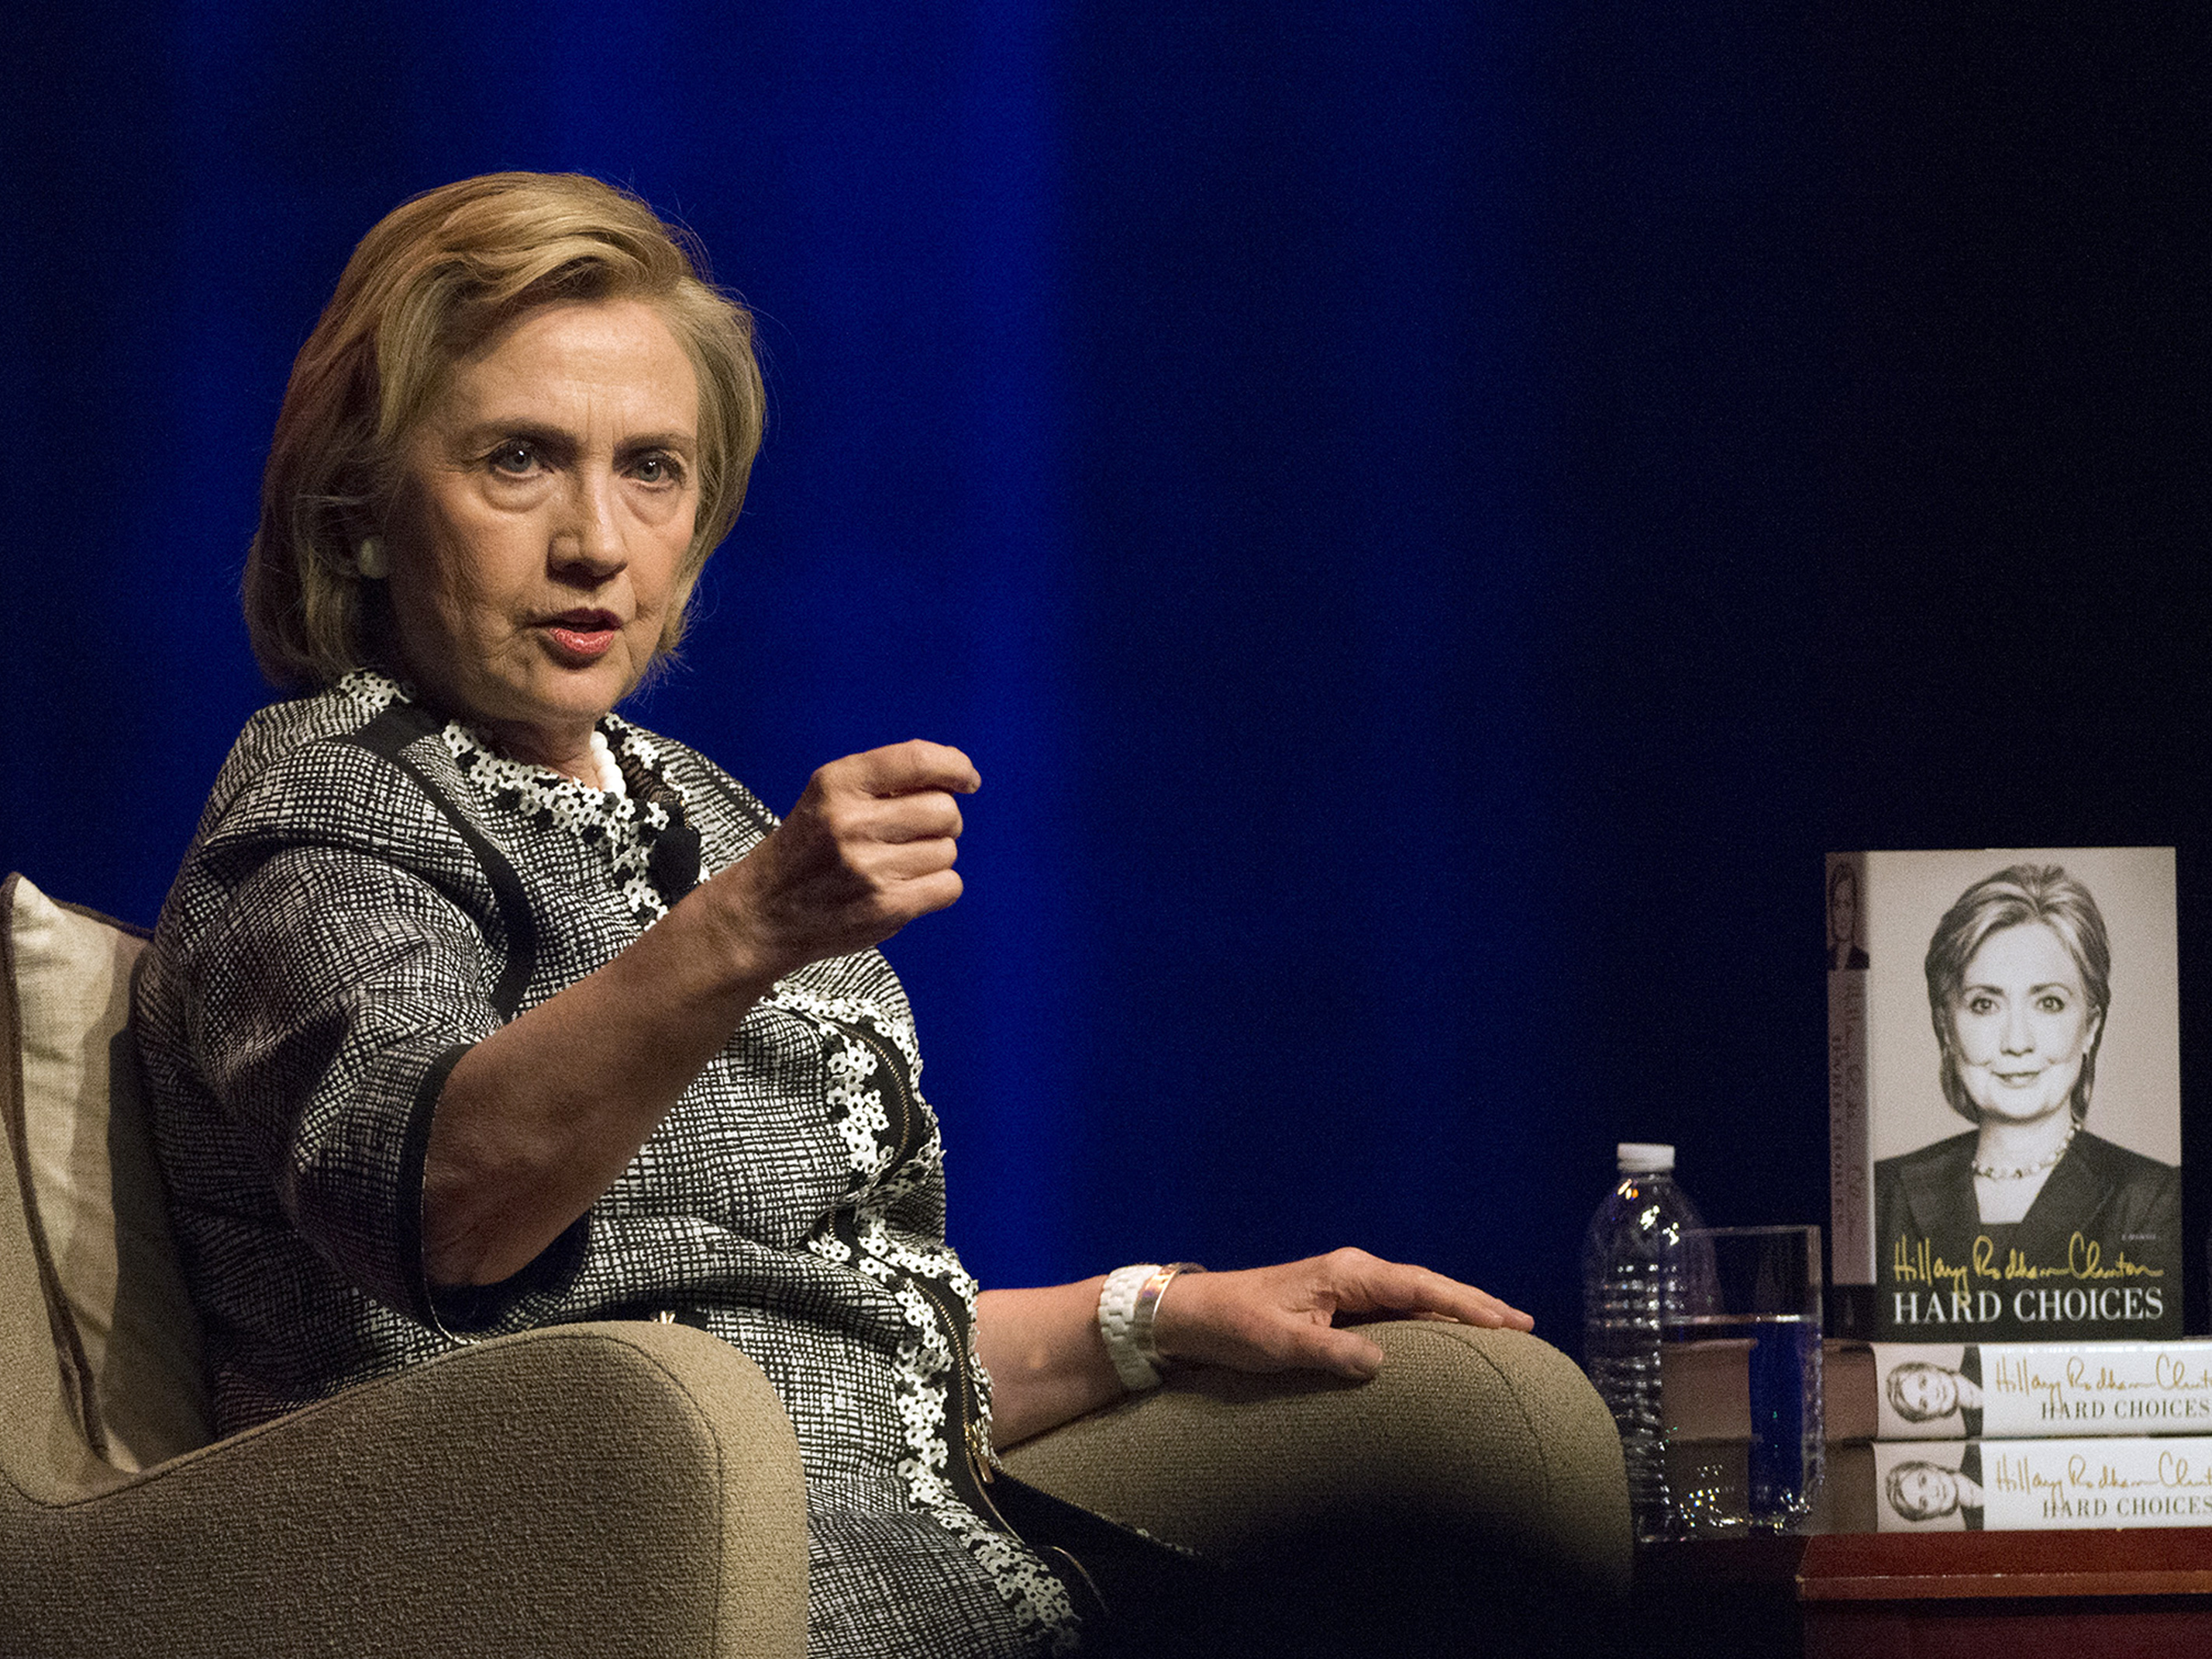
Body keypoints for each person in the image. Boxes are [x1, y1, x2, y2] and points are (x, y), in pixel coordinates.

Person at [132, 172, 1535, 1658]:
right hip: (597, 1592)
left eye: (653, 469)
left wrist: (1153, 1313)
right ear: (357, 515)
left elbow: (815, 1325)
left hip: (895, 1564)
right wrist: (745, 930)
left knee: (1465, 1533)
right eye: (519, 461)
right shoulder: (325, 804)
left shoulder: (696, 806)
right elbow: (437, 1209)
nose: (598, 540)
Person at [1873, 865, 2179, 1340]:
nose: (2017, 1042)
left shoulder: (2155, 1199)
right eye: (1984, 1004)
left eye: (2049, 1002)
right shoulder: (1884, 1193)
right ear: (1946, 1026)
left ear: (2092, 1026)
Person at [1884, 1354, 1983, 1437]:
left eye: (1924, 1382)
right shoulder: (1977, 1432)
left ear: (1930, 1368)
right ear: (1930, 1416)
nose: (1933, 1394)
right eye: (1924, 1404)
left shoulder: (1978, 1357)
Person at [1884, 1452, 1985, 1529]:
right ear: (1930, 1514)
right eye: (1924, 1502)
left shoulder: (1979, 1453)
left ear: (1930, 1467)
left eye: (1923, 1481)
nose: (1933, 1492)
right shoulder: (1978, 1527)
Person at [1827, 861, 1868, 970]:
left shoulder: (1864, 961)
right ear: (1831, 911)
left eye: (1847, 905)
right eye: (1837, 905)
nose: (1842, 916)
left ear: (1855, 910)